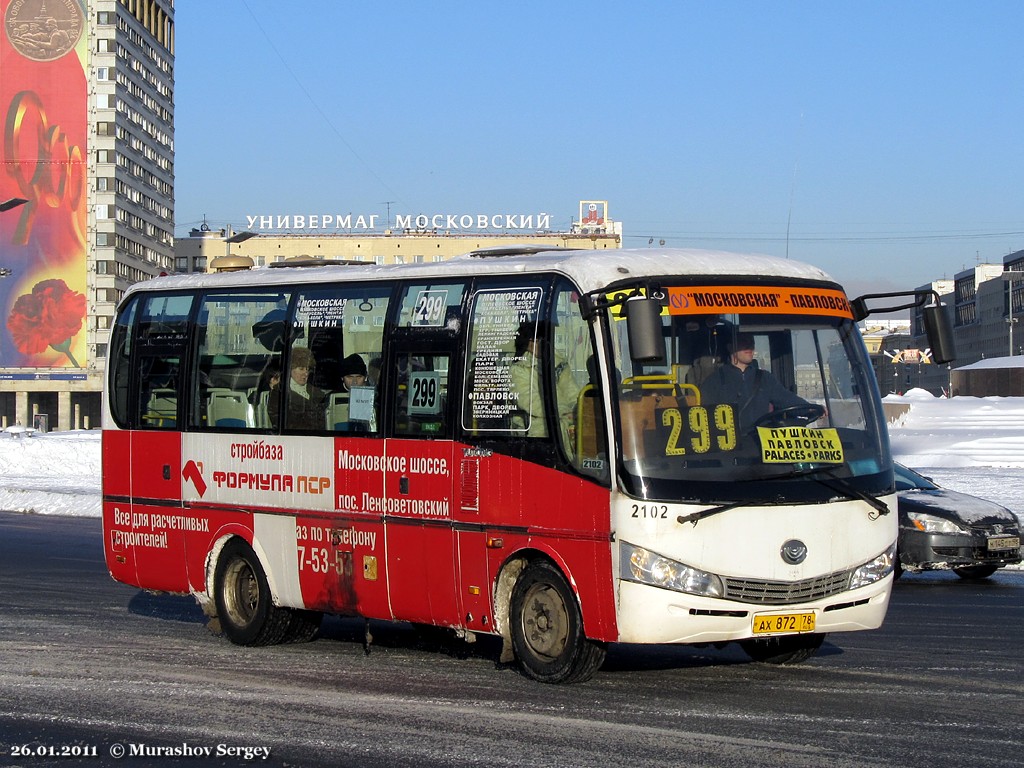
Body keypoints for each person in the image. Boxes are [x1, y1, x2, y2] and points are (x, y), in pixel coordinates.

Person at [701, 332, 814, 432]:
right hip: (730, 448)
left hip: (762, 444)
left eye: (752, 342)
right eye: (744, 341)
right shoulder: (714, 381)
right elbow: (706, 419)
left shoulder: (765, 378)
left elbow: (787, 399)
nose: (750, 345)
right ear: (730, 347)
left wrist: (810, 408)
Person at [509, 321, 580, 440]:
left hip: (564, 419)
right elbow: (530, 401)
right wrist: (561, 412)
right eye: (536, 340)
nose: (540, 343)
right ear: (527, 342)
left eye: (542, 339)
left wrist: (577, 411)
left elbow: (572, 392)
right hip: (535, 425)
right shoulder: (519, 369)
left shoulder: (558, 364)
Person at [268, 347, 326, 430]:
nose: (306, 373)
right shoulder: (279, 393)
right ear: (290, 369)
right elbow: (279, 423)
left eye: (308, 369)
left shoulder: (318, 393)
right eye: (301, 369)